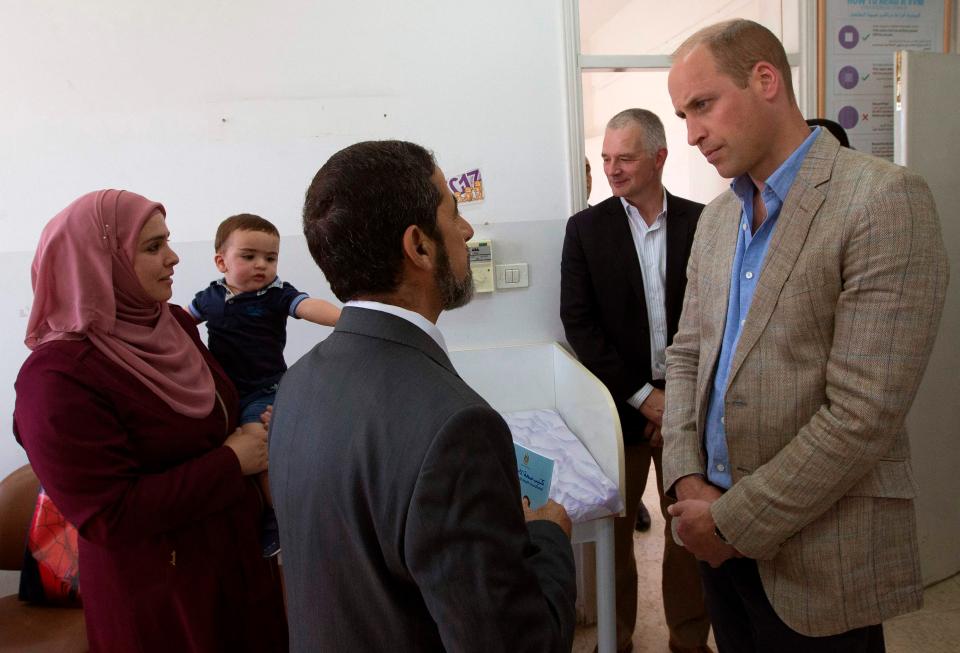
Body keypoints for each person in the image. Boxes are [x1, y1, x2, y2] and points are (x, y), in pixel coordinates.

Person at [664, 19, 949, 652]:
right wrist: (686, 480)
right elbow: (686, 356)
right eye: (683, 114)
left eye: (703, 105)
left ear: (765, 79)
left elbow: (862, 415)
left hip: (821, 557)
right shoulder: (716, 220)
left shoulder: (881, 200)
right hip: (713, 541)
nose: (692, 135)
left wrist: (731, 521)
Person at [269, 140, 577, 652]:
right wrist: (548, 538)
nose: (467, 230)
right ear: (419, 246)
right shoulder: (457, 429)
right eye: (454, 214)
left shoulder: (297, 383)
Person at [14, 190, 288, 652]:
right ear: (98, 262)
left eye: (168, 241)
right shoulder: (57, 377)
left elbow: (221, 409)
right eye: (152, 247)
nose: (174, 257)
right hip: (163, 598)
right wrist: (230, 461)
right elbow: (108, 515)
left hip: (238, 565)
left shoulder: (175, 325)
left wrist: (266, 415)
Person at [561, 109, 711, 653]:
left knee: (690, 532)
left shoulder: (706, 222)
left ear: (659, 158)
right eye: (605, 159)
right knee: (615, 538)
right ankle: (616, 641)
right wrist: (648, 399)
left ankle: (689, 641)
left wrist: (677, 404)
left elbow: (717, 319)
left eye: (624, 158)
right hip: (618, 408)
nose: (612, 169)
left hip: (691, 407)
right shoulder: (585, 230)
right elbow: (579, 322)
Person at [189, 213, 340, 557]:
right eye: (249, 256)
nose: (261, 265)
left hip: (265, 390)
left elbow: (307, 306)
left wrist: (345, 319)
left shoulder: (275, 294)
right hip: (223, 394)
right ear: (221, 261)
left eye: (270, 258)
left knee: (259, 449)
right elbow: (180, 322)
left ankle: (279, 519)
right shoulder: (210, 297)